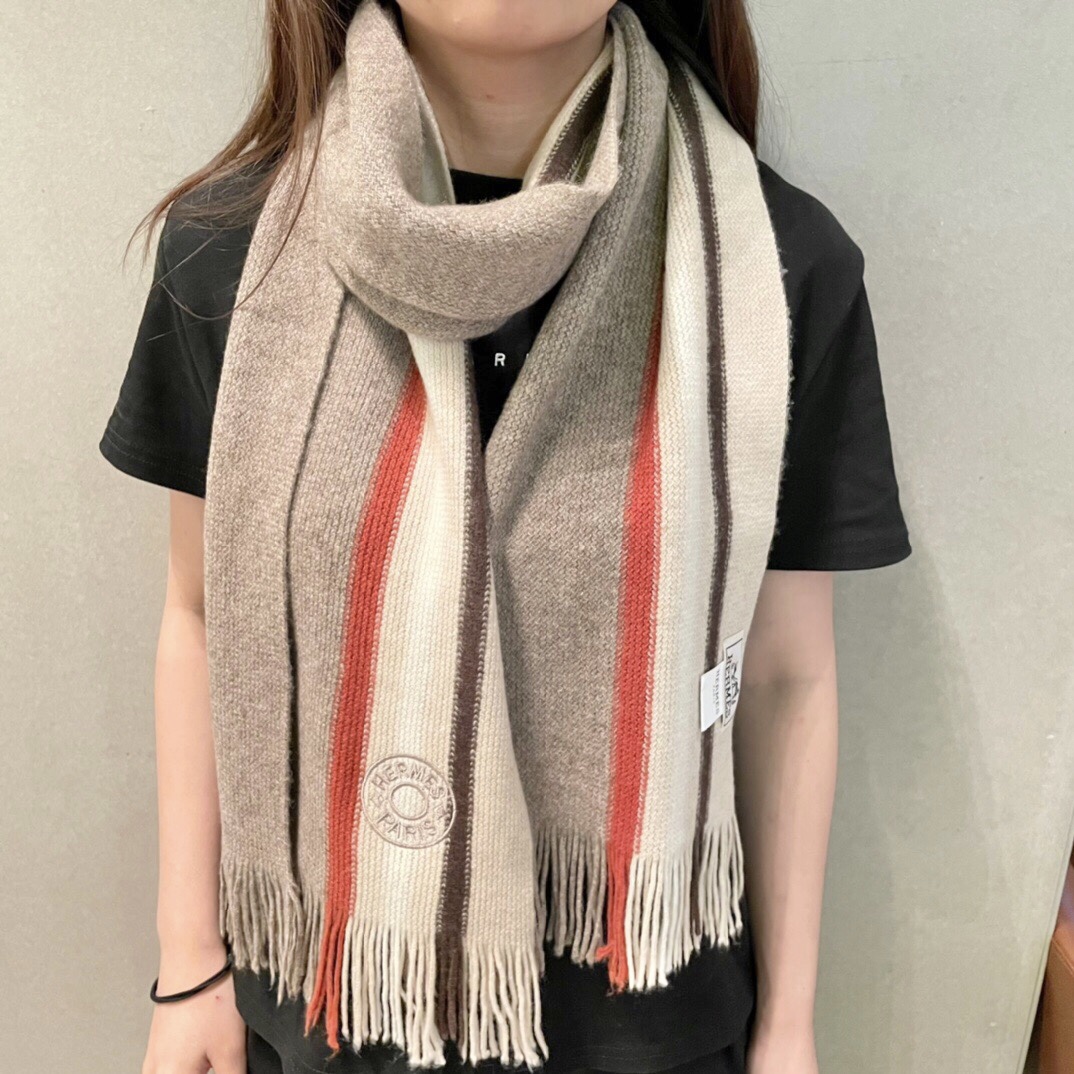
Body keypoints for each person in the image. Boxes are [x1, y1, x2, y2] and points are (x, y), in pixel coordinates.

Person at [99, 2, 911, 1073]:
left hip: (651, 1013)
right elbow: (202, 619)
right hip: (331, 1005)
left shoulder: (775, 267)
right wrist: (189, 965)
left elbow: (783, 675)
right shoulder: (232, 255)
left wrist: (789, 1027)